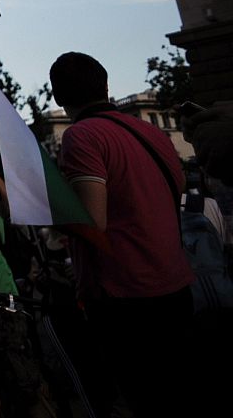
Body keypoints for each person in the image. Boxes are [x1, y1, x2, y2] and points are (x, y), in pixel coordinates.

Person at [49, 51, 194, 418]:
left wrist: (45, 205)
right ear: (106, 85)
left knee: (140, 398)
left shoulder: (81, 136)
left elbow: (91, 221)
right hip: (175, 283)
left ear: (57, 96)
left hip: (124, 295)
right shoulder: (151, 132)